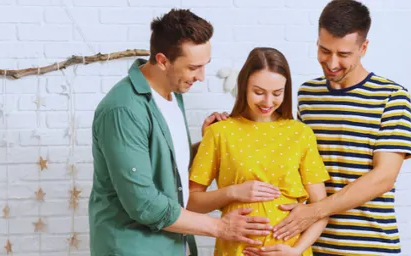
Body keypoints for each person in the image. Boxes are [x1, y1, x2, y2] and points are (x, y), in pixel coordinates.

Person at [88, 9, 273, 256]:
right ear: (163, 61)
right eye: (193, 68)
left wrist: (205, 145)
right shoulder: (123, 110)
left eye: (204, 66)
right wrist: (221, 227)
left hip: (173, 245)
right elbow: (143, 203)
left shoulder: (173, 94)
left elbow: (167, 169)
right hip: (133, 248)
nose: (201, 77)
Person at [244, 0, 411, 255]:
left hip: (369, 246)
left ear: (363, 48)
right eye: (325, 50)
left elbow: (383, 178)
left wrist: (314, 211)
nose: (332, 63)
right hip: (311, 246)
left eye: (343, 54)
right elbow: (285, 153)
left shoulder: (391, 97)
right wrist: (228, 126)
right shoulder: (308, 94)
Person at [188, 47, 332, 256]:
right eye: (258, 92)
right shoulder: (219, 132)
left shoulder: (301, 134)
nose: (267, 102)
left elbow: (321, 210)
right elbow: (191, 203)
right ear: (244, 86)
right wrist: (233, 192)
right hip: (236, 250)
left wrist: (296, 251)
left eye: (277, 93)